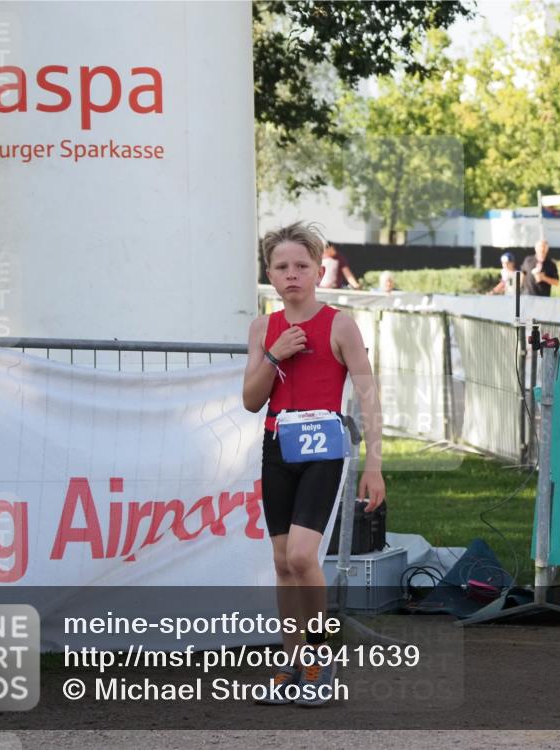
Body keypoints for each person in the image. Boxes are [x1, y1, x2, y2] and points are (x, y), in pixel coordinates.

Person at [243, 222, 385, 707]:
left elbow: (368, 396)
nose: (292, 275)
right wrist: (274, 355)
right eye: (282, 267)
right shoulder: (263, 328)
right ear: (270, 274)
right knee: (283, 563)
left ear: (319, 270)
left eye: (301, 266)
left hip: (322, 447)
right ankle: (289, 665)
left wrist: (375, 465)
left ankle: (318, 663)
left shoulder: (340, 324)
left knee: (304, 556)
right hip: (277, 446)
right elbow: (250, 399)